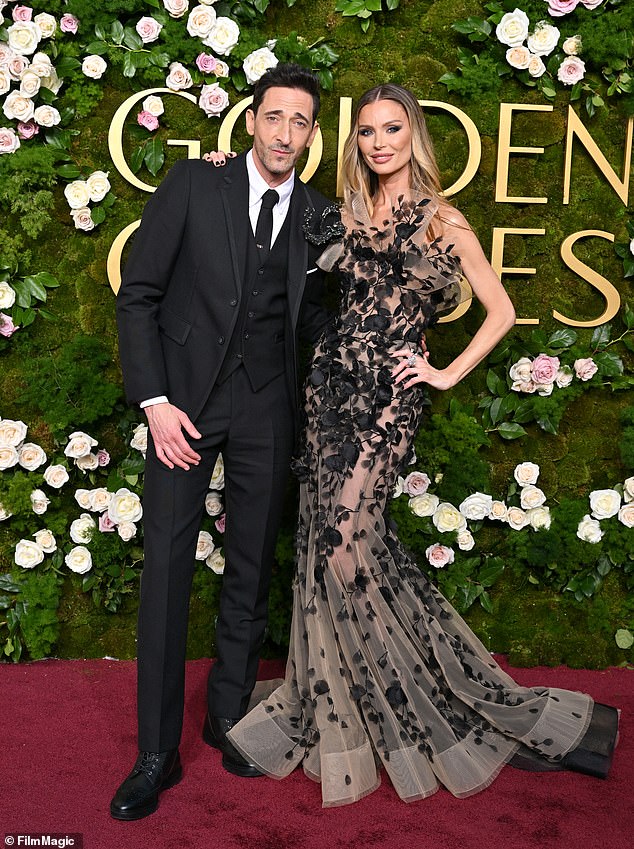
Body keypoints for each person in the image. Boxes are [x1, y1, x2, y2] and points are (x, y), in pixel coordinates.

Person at [207, 84, 620, 807]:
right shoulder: (334, 213)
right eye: (366, 132)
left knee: (347, 544)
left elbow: (503, 309)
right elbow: (258, 203)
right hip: (328, 391)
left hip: (387, 402)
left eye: (391, 129)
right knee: (329, 545)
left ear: (413, 135)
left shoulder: (440, 219)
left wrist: (443, 371)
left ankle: (441, 691)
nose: (378, 143)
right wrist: (221, 166)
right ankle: (359, 696)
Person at [110, 63, 334, 821]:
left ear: (311, 133)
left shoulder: (318, 213)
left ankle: (228, 718)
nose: (285, 134)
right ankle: (155, 751)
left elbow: (322, 320)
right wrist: (155, 402)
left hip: (267, 406)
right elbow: (138, 294)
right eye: (275, 118)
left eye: (300, 122)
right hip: (183, 405)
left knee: (248, 571)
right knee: (169, 570)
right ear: (251, 122)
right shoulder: (192, 185)